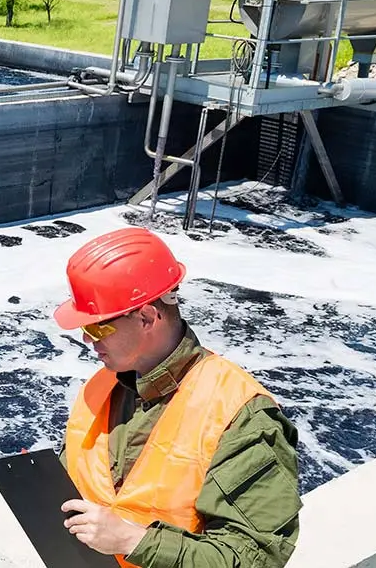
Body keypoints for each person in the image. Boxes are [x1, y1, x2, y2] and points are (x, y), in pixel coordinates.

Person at [52, 227, 301, 568]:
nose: (87, 339)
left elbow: (253, 557)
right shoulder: (100, 387)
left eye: (97, 328)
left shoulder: (241, 413)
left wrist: (130, 539)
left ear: (147, 317)